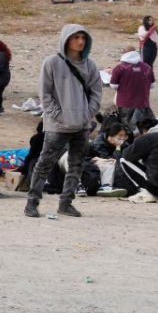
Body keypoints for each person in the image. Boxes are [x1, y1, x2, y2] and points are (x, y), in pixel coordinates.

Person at [25, 24, 101, 218]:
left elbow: (96, 93)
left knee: (76, 165)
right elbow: (45, 93)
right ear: (67, 39)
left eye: (83, 37)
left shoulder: (90, 65)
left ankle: (66, 203)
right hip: (57, 126)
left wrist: (87, 114)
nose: (81, 41)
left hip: (82, 125)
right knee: (44, 164)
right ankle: (32, 203)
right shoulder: (51, 63)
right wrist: (58, 115)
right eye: (76, 37)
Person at [109, 49, 155, 134]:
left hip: (125, 103)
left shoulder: (119, 68)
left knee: (127, 128)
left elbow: (113, 86)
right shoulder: (147, 67)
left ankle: (129, 144)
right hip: (142, 102)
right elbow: (152, 85)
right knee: (142, 127)